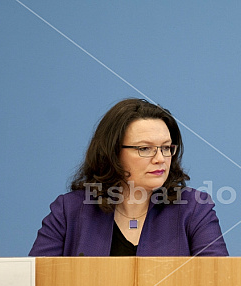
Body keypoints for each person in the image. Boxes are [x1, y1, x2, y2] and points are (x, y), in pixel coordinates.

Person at [30, 98, 228, 257]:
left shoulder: (194, 209)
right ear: (113, 153)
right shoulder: (69, 211)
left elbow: (218, 285)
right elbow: (37, 285)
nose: (160, 159)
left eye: (166, 148)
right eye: (144, 148)